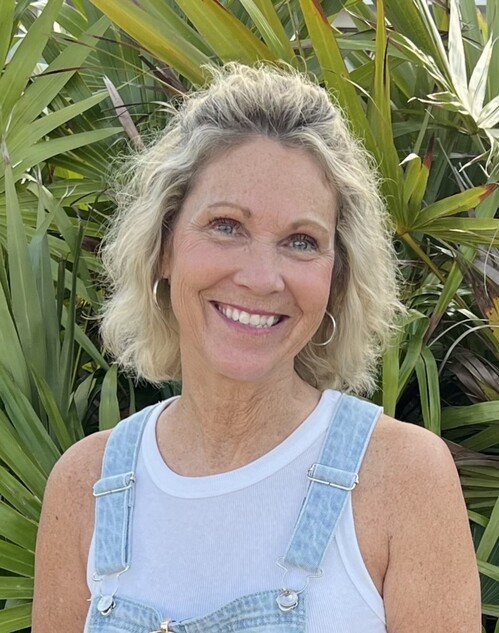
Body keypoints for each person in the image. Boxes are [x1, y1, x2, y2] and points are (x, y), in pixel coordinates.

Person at [32, 63, 480, 633]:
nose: (262, 278)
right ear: (163, 246)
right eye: (226, 226)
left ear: (337, 277)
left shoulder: (403, 478)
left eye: (302, 241)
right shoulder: (85, 485)